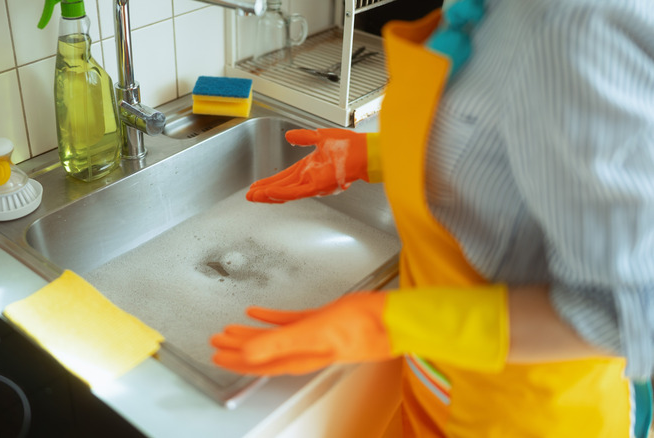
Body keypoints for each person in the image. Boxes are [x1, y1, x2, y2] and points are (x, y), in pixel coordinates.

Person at [210, 0, 654, 436]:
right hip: (442, 386)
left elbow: (627, 314)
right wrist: (373, 155)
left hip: (526, 414)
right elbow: (503, 135)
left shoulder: (573, 21)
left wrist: (379, 323)